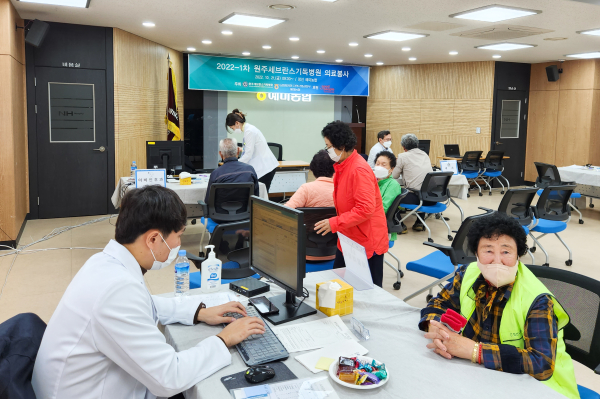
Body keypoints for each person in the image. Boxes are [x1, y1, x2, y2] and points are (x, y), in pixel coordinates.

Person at [32, 186, 265, 399]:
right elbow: (169, 378)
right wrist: (224, 340)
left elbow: (143, 304)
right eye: (179, 236)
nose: (178, 244)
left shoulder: (105, 264)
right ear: (154, 239)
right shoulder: (116, 292)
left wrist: (199, 312)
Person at [419, 213, 579, 399]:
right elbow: (439, 302)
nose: (497, 261)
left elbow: (541, 363)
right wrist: (437, 328)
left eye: (506, 251)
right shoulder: (468, 273)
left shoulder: (537, 300)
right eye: (488, 251)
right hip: (481, 377)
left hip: (539, 388)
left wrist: (475, 351)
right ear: (476, 253)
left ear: (518, 254)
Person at [314, 121, 388, 287]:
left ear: (341, 145)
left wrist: (334, 222)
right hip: (349, 235)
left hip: (366, 239)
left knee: (368, 292)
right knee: (340, 285)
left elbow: (365, 209)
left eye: (329, 146)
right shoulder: (344, 165)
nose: (328, 151)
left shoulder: (358, 170)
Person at [205, 137, 259, 222]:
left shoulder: (216, 174)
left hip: (219, 218)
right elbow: (256, 197)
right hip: (246, 216)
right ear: (238, 151)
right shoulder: (250, 170)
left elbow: (208, 200)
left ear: (221, 154)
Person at [226, 109, 279, 191]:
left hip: (265, 168)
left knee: (260, 197)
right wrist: (242, 149)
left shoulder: (249, 131)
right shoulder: (249, 129)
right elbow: (252, 148)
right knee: (257, 195)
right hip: (264, 167)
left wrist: (234, 164)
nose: (233, 130)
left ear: (237, 123)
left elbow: (248, 155)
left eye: (232, 128)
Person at [392, 133, 433, 232]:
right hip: (431, 197)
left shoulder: (402, 156)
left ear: (403, 147)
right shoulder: (425, 155)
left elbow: (394, 176)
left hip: (416, 198)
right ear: (417, 145)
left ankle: (399, 224)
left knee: (392, 195)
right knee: (422, 189)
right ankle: (419, 222)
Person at [374, 151, 404, 239]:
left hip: (381, 229)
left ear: (391, 169)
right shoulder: (373, 181)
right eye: (377, 164)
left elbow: (383, 209)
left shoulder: (392, 185)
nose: (379, 167)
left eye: (384, 165)